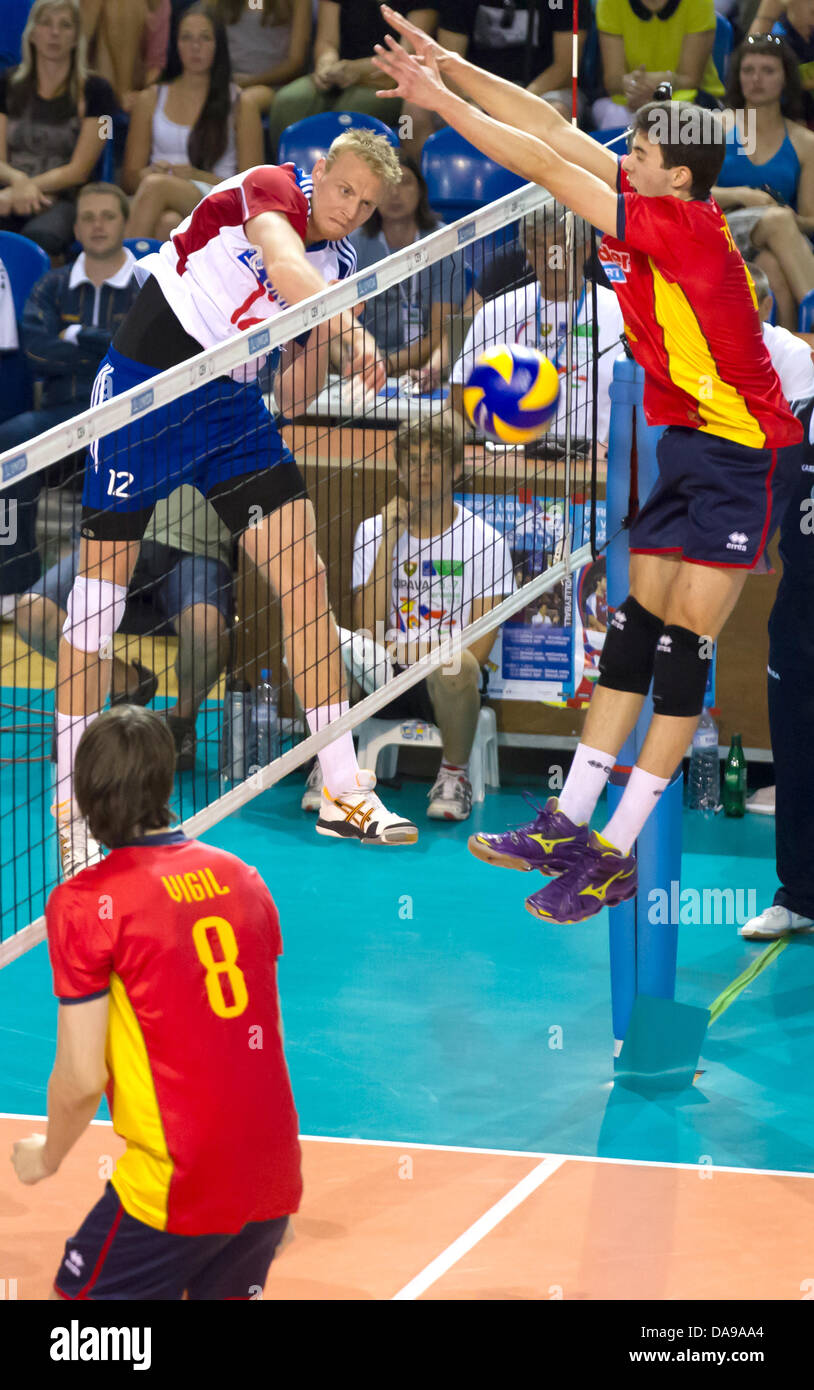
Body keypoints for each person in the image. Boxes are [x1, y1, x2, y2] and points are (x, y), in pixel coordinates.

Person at [374, 8, 803, 922]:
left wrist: (435, 105)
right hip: (684, 442)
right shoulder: (651, 196)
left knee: (687, 644)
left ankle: (617, 850)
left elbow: (536, 164)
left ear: (677, 175)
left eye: (641, 148)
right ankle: (568, 821)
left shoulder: (684, 227)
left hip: (746, 454)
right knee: (636, 628)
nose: (626, 151)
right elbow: (550, 130)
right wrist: (447, 65)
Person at [53, 126, 418, 879]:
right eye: (344, 190)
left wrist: (319, 339)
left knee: (305, 581)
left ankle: (343, 789)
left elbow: (293, 392)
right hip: (145, 392)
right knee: (96, 605)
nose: (350, 210)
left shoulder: (340, 263)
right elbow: (281, 263)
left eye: (367, 204)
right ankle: (70, 804)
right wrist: (347, 324)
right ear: (320, 174)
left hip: (229, 409)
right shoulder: (267, 187)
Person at [11, 704, 301, 1300]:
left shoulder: (85, 904)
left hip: (177, 1185)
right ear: (165, 782)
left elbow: (81, 1077)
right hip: (269, 1170)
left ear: (85, 796)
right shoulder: (244, 879)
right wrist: (266, 1192)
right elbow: (262, 1041)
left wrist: (48, 1156)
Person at [304, 411, 516, 820]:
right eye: (413, 461)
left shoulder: (487, 542)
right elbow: (367, 632)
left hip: (447, 685)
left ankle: (454, 778)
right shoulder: (373, 532)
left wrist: (404, 646)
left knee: (458, 664)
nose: (423, 471)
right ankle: (333, 765)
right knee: (321, 645)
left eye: (434, 460)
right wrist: (388, 540)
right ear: (400, 471)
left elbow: (478, 648)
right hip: (381, 678)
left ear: (456, 469)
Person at [16, 484, 234, 769]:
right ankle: (127, 682)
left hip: (194, 547)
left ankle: (181, 724)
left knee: (207, 629)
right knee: (34, 612)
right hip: (111, 537)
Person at [0, 182, 139, 614]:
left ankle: (125, 594)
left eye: (108, 216)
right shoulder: (52, 285)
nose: (98, 225)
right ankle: (15, 584)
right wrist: (106, 349)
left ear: (125, 222)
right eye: (88, 217)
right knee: (10, 442)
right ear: (75, 226)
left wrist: (76, 335)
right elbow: (38, 353)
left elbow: (141, 355)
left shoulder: (147, 285)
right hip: (62, 415)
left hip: (127, 415)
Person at [448, 206, 625, 450]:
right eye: (538, 245)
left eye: (562, 243)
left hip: (591, 470)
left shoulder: (620, 314)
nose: (551, 256)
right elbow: (457, 403)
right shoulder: (496, 313)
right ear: (528, 254)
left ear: (585, 250)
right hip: (507, 466)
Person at [121, 3, 264, 242]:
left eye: (204, 38)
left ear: (218, 45)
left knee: (156, 186)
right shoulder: (150, 98)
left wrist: (195, 176)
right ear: (175, 45)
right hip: (159, 199)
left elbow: (254, 187)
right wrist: (148, 172)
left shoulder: (241, 104)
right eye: (186, 38)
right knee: (166, 222)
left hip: (219, 197)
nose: (195, 47)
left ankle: (120, 278)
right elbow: (130, 178)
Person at [400, 1, 592, 158]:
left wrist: (515, 101)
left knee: (557, 112)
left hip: (541, 91)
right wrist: (473, 102)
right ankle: (427, 198)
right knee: (413, 112)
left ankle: (550, 202)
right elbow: (447, 62)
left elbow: (565, 68)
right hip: (474, 90)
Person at [712, 34, 814, 329]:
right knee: (778, 221)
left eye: (768, 71)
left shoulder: (804, 141)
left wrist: (788, 216)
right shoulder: (717, 126)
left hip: (776, 237)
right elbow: (692, 194)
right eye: (748, 70)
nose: (756, 79)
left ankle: (792, 353)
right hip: (720, 229)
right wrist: (745, 195)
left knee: (771, 268)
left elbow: (809, 220)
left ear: (785, 79)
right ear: (737, 76)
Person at [0, 0, 117, 257]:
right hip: (8, 192)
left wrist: (25, 189)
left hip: (64, 198)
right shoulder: (5, 84)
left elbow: (79, 171)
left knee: (41, 238)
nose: (55, 33)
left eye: (65, 25)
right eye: (46, 23)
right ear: (32, 32)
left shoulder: (99, 92)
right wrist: (17, 183)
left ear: (77, 37)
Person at [351, 149, 472, 386]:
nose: (395, 193)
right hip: (363, 364)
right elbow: (340, 327)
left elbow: (439, 335)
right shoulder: (354, 244)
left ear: (421, 191)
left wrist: (386, 364)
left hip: (425, 370)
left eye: (405, 182)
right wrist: (366, 363)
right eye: (387, 184)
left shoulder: (443, 242)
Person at [266, 0, 435, 160]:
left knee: (351, 110)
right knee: (288, 101)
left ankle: (347, 182)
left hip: (388, 80)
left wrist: (356, 70)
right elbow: (327, 42)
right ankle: (291, 178)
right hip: (339, 73)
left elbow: (407, 55)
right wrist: (326, 64)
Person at [593, 0, 725, 130]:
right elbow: (613, 81)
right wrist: (631, 86)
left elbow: (691, 79)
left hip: (689, 98)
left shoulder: (699, 3)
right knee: (614, 116)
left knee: (679, 123)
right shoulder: (608, 3)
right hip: (629, 100)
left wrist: (657, 86)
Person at [215, 0, 313, 119]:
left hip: (273, 86)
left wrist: (248, 81)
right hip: (227, 79)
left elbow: (296, 62)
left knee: (242, 102)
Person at [79, 0, 170, 110]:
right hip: (86, 80)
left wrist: (142, 95)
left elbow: (155, 64)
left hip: (132, 88)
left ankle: (117, 102)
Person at [749, 259, 814, 397]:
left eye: (744, 304)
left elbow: (797, 418)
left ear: (766, 307)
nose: (731, 313)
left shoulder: (793, 354)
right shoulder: (700, 348)